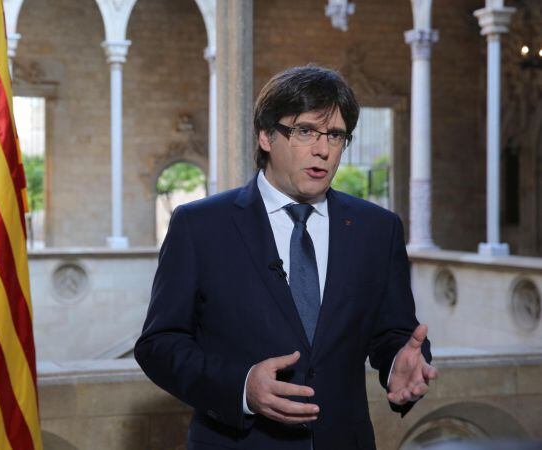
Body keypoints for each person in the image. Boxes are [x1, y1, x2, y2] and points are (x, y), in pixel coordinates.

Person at [134, 65, 438, 450]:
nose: (323, 150)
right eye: (305, 131)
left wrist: (399, 364)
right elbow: (159, 344)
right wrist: (242, 387)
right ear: (266, 135)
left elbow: (392, 332)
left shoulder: (378, 229)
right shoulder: (200, 226)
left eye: (335, 135)